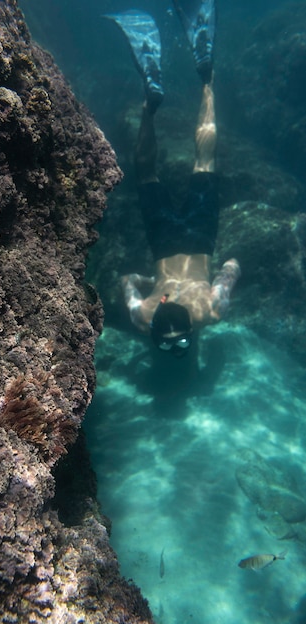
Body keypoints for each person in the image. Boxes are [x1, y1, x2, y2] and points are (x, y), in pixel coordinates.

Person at [106, 2, 240, 359]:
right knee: (146, 173)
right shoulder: (141, 315)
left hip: (200, 239)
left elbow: (231, 267)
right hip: (163, 243)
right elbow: (128, 281)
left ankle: (206, 78)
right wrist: (157, 286)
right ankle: (150, 106)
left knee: (204, 160)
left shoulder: (211, 312)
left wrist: (218, 277)